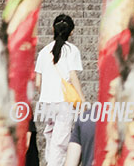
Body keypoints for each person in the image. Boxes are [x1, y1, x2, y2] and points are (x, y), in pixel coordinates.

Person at [35, 12, 83, 166]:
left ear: (52, 29)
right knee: (60, 142)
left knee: (50, 136)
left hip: (46, 102)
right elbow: (73, 76)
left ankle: (51, 162)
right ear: (71, 32)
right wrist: (82, 99)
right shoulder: (71, 50)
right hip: (63, 102)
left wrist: (46, 92)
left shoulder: (43, 52)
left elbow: (37, 83)